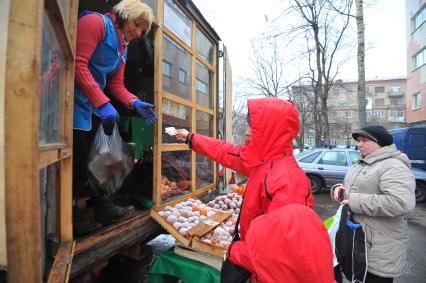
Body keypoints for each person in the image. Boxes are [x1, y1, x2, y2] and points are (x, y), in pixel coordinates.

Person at [175, 98, 333, 282]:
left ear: (271, 131)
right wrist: (191, 138)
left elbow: (281, 250)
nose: (248, 132)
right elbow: (226, 151)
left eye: (254, 127)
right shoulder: (263, 159)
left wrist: (236, 251)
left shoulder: (289, 181)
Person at [73, 0, 157, 235]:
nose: (138, 32)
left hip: (94, 106)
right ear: (124, 14)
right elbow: (78, 65)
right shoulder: (95, 23)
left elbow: (116, 84)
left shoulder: (123, 47)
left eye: (142, 29)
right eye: (136, 24)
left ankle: (102, 206)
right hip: (73, 104)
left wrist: (134, 102)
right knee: (78, 161)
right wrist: (103, 102)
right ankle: (73, 219)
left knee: (101, 158)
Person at [331, 125, 416, 283]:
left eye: (364, 140)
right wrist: (339, 189)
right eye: (358, 140)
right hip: (358, 242)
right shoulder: (362, 163)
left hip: (379, 247)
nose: (359, 144)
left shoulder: (394, 166)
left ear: (380, 143)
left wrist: (354, 201)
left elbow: (400, 202)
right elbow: (356, 188)